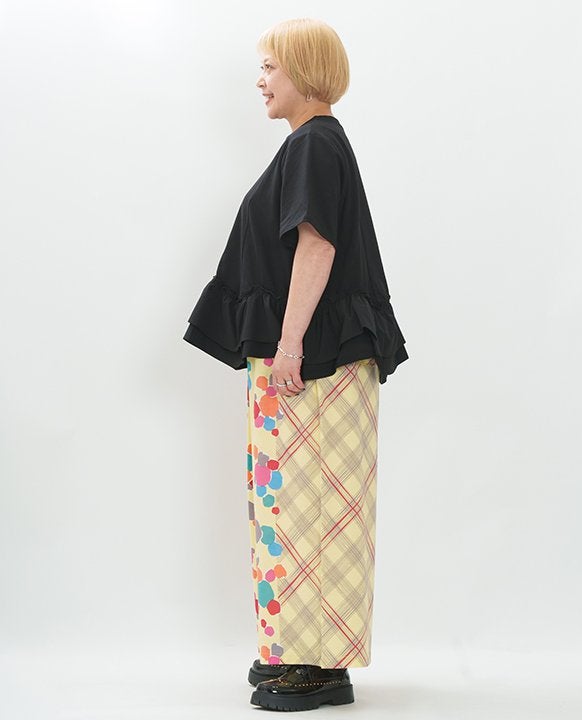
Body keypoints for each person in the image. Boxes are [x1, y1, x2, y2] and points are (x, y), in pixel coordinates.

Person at [183, 17, 409, 712]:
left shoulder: (314, 144)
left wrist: (288, 345)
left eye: (270, 67)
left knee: (311, 503)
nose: (261, 80)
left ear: (304, 71)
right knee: (290, 500)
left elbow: (318, 246)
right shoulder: (313, 144)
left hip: (312, 362)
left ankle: (317, 663)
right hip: (310, 359)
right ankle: (297, 647)